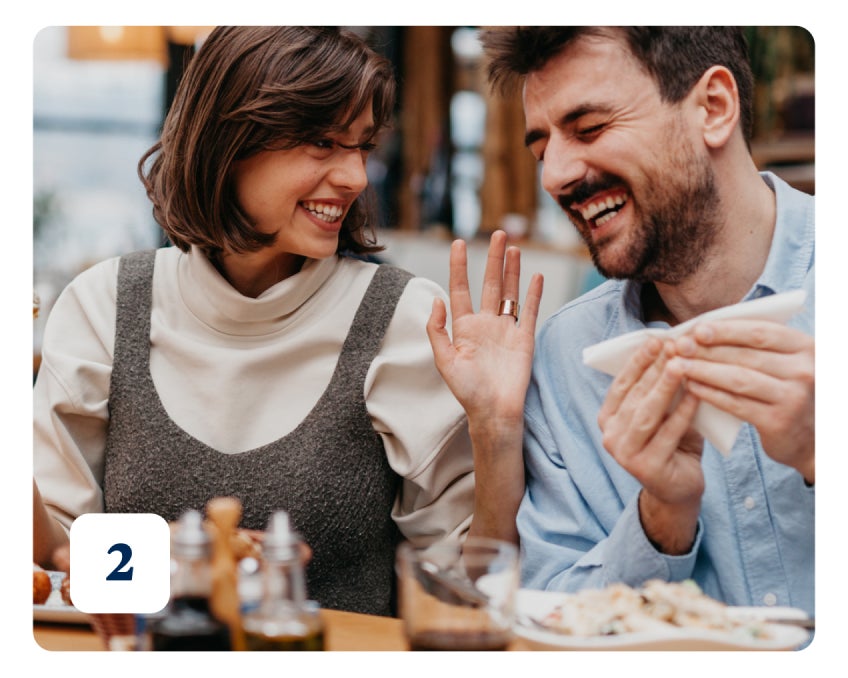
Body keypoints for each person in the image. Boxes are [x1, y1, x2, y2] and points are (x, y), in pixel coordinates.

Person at [33, 26, 494, 617]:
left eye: (362, 146)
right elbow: (53, 563)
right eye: (323, 143)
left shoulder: (403, 318)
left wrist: (497, 430)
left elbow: (460, 582)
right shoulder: (104, 305)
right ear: (229, 145)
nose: (356, 177)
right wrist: (180, 558)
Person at [428, 26, 814, 618]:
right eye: (541, 151)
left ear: (713, 108)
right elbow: (548, 611)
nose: (554, 175)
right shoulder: (564, 358)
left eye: (589, 128)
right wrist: (661, 520)